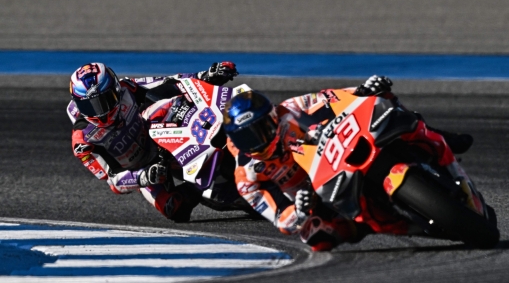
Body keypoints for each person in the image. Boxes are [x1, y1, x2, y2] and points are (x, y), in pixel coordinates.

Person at [221, 75, 474, 251]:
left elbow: (332, 98)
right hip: (313, 195)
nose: (258, 142)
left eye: (262, 130)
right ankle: (394, 226)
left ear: (273, 116)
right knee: (316, 237)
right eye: (246, 137)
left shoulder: (292, 109)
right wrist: (298, 211)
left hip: (335, 150)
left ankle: (439, 138)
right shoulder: (246, 177)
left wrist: (363, 90)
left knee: (385, 103)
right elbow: (278, 218)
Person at [67, 62, 238, 222]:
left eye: (105, 101)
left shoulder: (126, 87)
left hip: (158, 134)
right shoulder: (83, 141)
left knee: (166, 98)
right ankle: (206, 187)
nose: (101, 113)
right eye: (90, 106)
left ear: (116, 89)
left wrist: (207, 75)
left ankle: (219, 129)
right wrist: (143, 176)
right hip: (143, 168)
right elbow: (114, 182)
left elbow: (169, 81)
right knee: (175, 210)